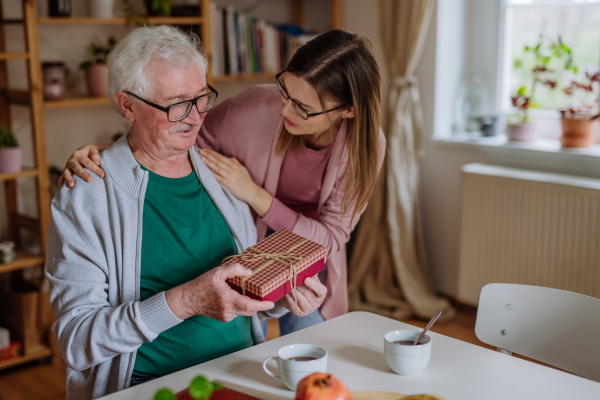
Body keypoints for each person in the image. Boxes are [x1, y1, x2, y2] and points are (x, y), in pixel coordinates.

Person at [46, 26, 326, 400]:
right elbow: (78, 341)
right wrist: (185, 301)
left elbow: (241, 294)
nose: (195, 117)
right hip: (150, 386)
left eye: (201, 98)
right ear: (127, 105)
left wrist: (278, 296)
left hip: (243, 371)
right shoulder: (85, 197)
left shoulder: (223, 175)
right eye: (177, 103)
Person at [58, 29, 385, 336]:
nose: (284, 108)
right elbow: (179, 132)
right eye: (284, 90)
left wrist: (258, 197)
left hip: (311, 246)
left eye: (303, 107)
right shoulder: (255, 108)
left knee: (311, 340)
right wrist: (113, 153)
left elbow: (330, 237)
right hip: (250, 234)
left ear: (349, 111)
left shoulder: (365, 146)